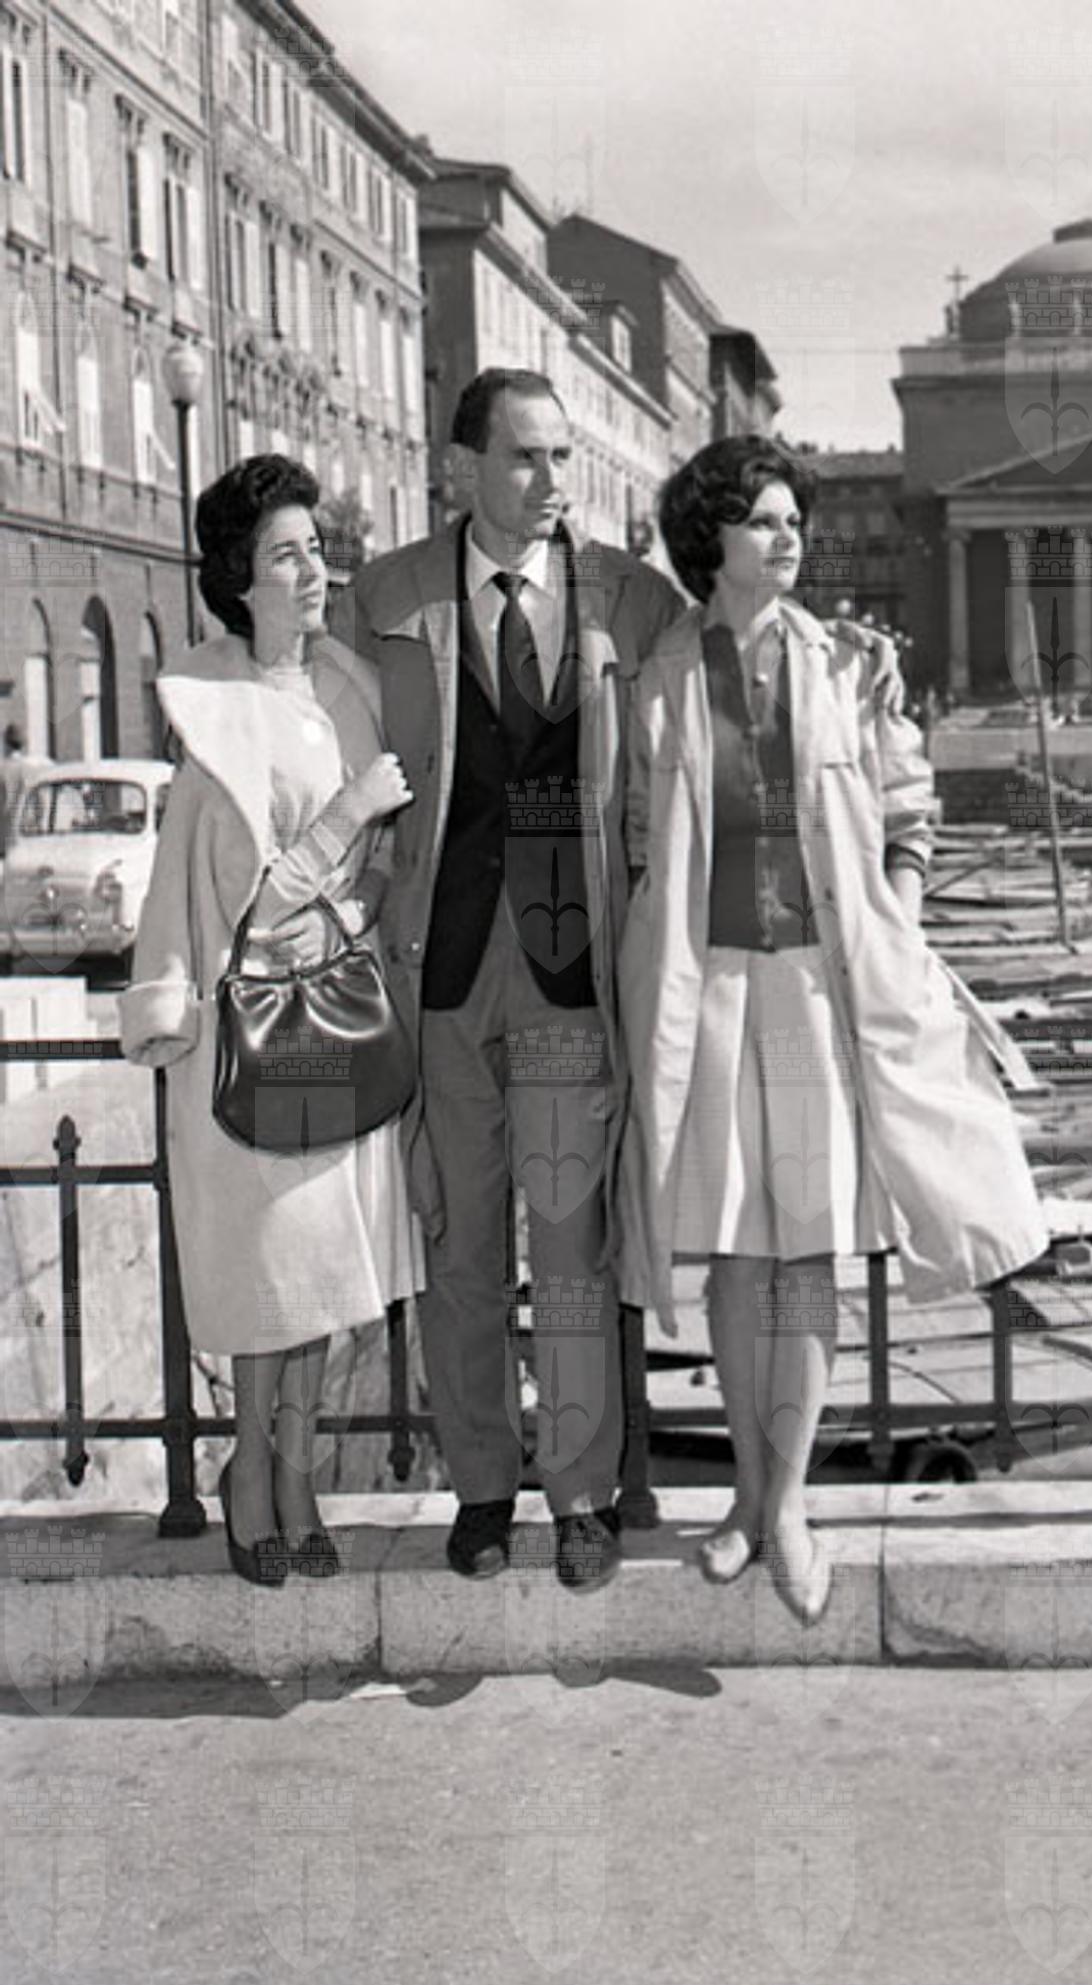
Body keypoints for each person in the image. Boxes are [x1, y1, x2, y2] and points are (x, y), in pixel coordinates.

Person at [618, 435, 1048, 1625]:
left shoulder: (852, 667)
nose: (788, 537)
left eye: (791, 518)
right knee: (730, 1251)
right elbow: (633, 839)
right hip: (706, 989)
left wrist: (895, 922)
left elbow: (909, 811)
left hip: (816, 986)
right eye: (762, 520)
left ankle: (793, 1501)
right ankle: (745, 1498)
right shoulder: (654, 679)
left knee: (804, 1252)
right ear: (710, 540)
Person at [332, 367, 687, 1592]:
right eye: (526, 456)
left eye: (560, 458)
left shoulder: (631, 600)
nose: (550, 482)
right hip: (438, 966)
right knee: (459, 1244)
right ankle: (483, 1485)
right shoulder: (385, 602)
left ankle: (580, 1493)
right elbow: (323, 740)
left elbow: (705, 708)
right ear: (463, 467)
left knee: (575, 1248)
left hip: (569, 969)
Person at [122, 456, 423, 1586]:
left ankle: (297, 1472)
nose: (314, 571)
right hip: (252, 1029)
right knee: (274, 1280)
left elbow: (371, 867)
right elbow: (247, 904)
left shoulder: (346, 690)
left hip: (335, 1013)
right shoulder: (218, 720)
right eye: (286, 555)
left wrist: (363, 886)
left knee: (326, 1278)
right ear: (240, 584)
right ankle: (250, 1470)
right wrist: (351, 812)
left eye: (315, 550)